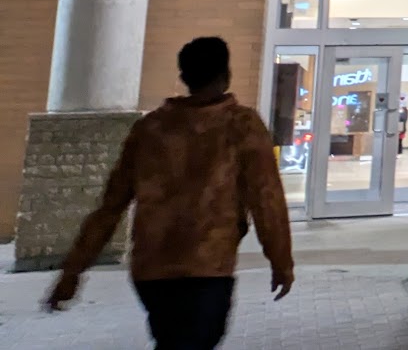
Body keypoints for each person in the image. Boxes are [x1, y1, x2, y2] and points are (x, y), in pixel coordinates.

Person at [45, 36, 294, 349]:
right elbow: (267, 199)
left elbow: (110, 207)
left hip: (152, 270)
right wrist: (281, 261)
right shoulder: (241, 125)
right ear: (225, 75)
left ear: (184, 77)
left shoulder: (150, 128)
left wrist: (73, 271)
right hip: (208, 266)